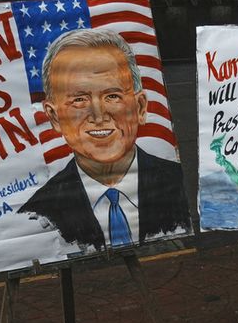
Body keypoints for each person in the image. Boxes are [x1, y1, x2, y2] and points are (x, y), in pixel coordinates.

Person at [20, 28, 191, 250]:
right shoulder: (38, 214)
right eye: (79, 99)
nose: (99, 115)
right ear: (54, 116)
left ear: (140, 107)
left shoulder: (175, 185)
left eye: (112, 96)